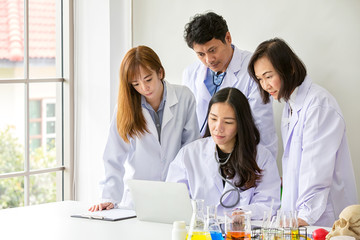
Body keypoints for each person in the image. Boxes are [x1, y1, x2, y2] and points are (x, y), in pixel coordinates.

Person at [248, 38, 358, 227]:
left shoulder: (318, 105)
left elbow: (316, 169)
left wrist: (304, 217)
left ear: (289, 68)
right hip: (301, 215)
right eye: (260, 79)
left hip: (321, 217)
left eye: (268, 76)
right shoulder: (291, 106)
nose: (265, 85)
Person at [89, 46, 200, 211]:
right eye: (136, 84)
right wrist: (108, 197)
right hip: (137, 197)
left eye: (148, 79)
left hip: (176, 192)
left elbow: (191, 148)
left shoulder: (184, 97)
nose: (144, 88)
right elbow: (113, 156)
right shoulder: (124, 108)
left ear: (160, 73)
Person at [166, 87, 281, 219]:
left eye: (228, 122)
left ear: (241, 124)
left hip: (241, 233)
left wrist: (244, 213)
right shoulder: (189, 154)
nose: (218, 128)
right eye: (213, 119)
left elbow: (268, 205)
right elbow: (173, 199)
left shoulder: (262, 157)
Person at [182, 12, 277, 159]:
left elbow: (263, 128)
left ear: (228, 38)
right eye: (200, 54)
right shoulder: (190, 74)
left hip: (242, 158)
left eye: (212, 50)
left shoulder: (253, 69)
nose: (209, 60)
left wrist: (264, 168)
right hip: (203, 159)